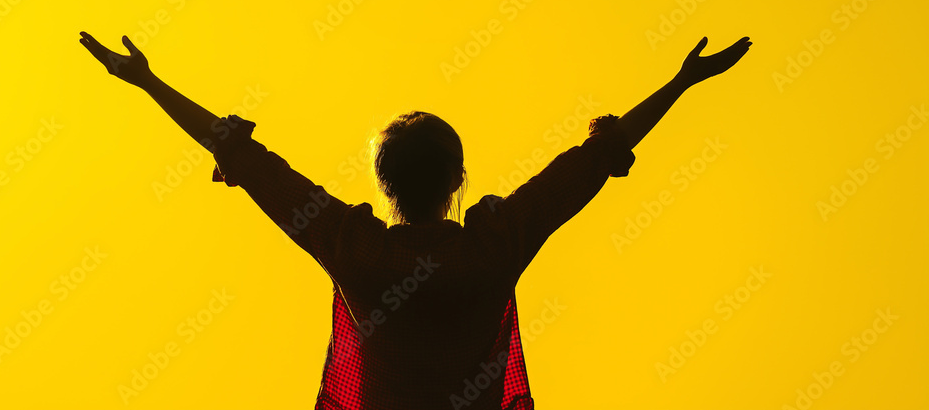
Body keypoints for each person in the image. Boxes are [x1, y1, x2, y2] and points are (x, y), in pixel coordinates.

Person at [79, 32, 751, 409]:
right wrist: (681, 81)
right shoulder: (495, 246)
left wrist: (149, 82)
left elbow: (249, 161)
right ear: (459, 180)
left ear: (383, 184)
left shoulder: (357, 249)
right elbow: (589, 163)